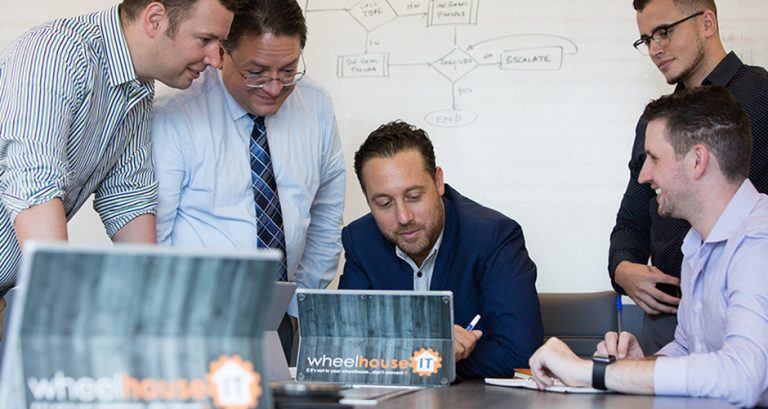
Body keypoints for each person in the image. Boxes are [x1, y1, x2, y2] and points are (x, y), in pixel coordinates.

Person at [0, 0, 235, 328]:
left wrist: (149, 308)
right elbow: (33, 183)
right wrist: (61, 308)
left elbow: (129, 199)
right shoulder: (56, 53)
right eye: (205, 40)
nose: (215, 59)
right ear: (154, 19)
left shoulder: (138, 89)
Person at [532, 86, 768, 408]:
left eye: (654, 158)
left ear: (697, 160)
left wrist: (589, 372)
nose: (643, 176)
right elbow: (689, 352)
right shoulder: (698, 244)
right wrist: (636, 365)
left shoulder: (759, 241)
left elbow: (743, 378)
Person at [151, 0, 345, 356]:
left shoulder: (315, 106)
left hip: (280, 324)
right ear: (222, 53)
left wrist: (299, 304)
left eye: (288, 70)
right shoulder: (174, 114)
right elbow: (153, 236)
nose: (274, 87)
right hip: (195, 324)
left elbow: (325, 213)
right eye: (256, 72)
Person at [608, 0, 768, 353]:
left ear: (707, 23)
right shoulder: (657, 120)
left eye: (664, 32)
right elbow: (632, 216)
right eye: (646, 39)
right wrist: (623, 269)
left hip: (743, 306)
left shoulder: (762, 96)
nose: (654, 48)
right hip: (669, 320)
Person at [339, 121, 543, 378]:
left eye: (414, 196)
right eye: (384, 203)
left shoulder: (494, 237)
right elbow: (340, 346)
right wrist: (433, 347)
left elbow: (521, 354)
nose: (403, 216)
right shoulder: (360, 240)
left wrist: (405, 357)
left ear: (438, 182)